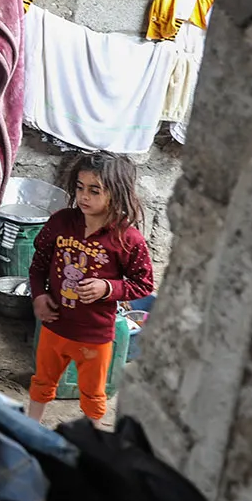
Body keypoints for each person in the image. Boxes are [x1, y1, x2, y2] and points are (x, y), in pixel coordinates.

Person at [26, 152, 154, 428]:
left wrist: (107, 287)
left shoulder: (128, 239)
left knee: (94, 396)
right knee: (41, 383)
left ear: (117, 194)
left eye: (94, 190)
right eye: (80, 188)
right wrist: (39, 295)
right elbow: (37, 266)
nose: (84, 196)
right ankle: (29, 428)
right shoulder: (61, 223)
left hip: (95, 335)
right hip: (55, 325)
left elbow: (144, 284)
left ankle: (92, 442)